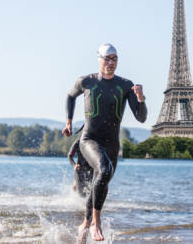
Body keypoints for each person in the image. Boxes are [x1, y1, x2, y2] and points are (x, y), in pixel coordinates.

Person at [62, 44, 147, 241]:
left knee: (101, 180)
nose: (111, 62)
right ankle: (95, 223)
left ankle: (84, 224)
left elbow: (141, 118)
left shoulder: (126, 85)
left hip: (112, 145)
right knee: (104, 170)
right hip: (89, 139)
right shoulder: (86, 81)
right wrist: (68, 122)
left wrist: (141, 98)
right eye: (107, 58)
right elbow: (69, 96)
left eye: (115, 58)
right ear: (99, 58)